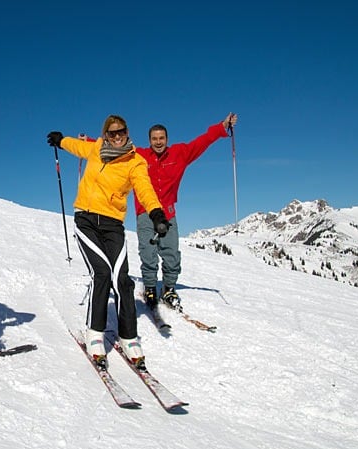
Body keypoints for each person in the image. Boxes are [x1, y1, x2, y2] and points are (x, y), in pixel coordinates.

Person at [47, 115, 170, 371]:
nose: (117, 137)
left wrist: (157, 212)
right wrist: (60, 141)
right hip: (86, 219)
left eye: (121, 132)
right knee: (101, 273)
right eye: (112, 133)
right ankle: (95, 332)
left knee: (122, 279)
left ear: (127, 131)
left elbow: (145, 189)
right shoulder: (95, 148)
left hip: (113, 224)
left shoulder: (135, 161)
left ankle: (128, 336)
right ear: (105, 134)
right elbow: (76, 146)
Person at [135, 113, 238, 310]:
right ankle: (150, 287)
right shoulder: (138, 156)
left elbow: (202, 141)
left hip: (168, 213)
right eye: (154, 139)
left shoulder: (179, 153)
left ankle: (168, 289)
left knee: (171, 254)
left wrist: (222, 126)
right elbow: (114, 149)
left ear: (167, 139)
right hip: (145, 213)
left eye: (161, 138)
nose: (158, 142)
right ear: (149, 141)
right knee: (148, 253)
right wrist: (85, 142)